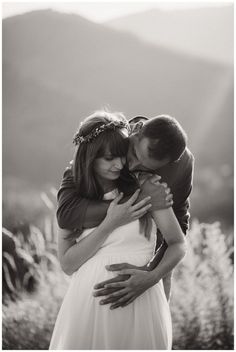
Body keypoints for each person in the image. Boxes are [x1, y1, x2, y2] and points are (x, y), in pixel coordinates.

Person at [50, 111, 186, 349]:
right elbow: (68, 264)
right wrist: (111, 222)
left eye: (119, 157)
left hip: (141, 302)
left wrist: (151, 277)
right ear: (90, 158)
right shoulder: (76, 195)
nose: (125, 164)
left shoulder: (147, 186)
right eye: (124, 155)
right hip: (89, 306)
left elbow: (177, 241)